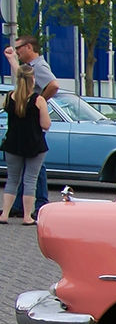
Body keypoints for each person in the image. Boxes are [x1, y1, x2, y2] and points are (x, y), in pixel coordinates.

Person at [6, 38, 57, 215]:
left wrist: (39, 101)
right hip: (30, 127)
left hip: (32, 126)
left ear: (29, 47)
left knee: (35, 170)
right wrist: (12, 60)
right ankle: (22, 206)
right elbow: (23, 78)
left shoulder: (39, 66)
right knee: (30, 168)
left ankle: (38, 203)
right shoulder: (29, 67)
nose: (17, 50)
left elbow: (54, 85)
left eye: (19, 48)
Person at [0, 63, 51, 225]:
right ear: (32, 80)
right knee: (30, 180)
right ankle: (27, 217)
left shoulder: (9, 97)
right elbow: (45, 124)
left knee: (12, 180)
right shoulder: (38, 100)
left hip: (13, 144)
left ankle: (4, 214)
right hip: (35, 145)